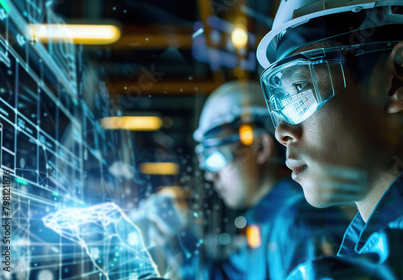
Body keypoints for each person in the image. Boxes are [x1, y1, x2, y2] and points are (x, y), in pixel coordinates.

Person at [256, 0, 403, 279]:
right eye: (285, 102)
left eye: (301, 89)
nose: (282, 131)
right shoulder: (368, 246)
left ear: (399, 79)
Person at [132, 80, 348, 280]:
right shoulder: (265, 222)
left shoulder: (300, 221)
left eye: (216, 158)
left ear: (260, 147)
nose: (210, 175)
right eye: (205, 162)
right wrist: (179, 240)